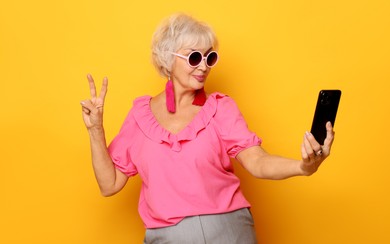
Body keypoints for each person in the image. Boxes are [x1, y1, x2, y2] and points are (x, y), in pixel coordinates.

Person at [80, 13, 335, 244]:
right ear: (169, 59)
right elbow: (109, 184)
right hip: (167, 237)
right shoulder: (140, 115)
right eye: (194, 57)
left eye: (209, 57)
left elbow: (257, 161)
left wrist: (303, 167)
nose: (203, 66)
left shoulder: (221, 109)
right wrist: (95, 130)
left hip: (230, 232)